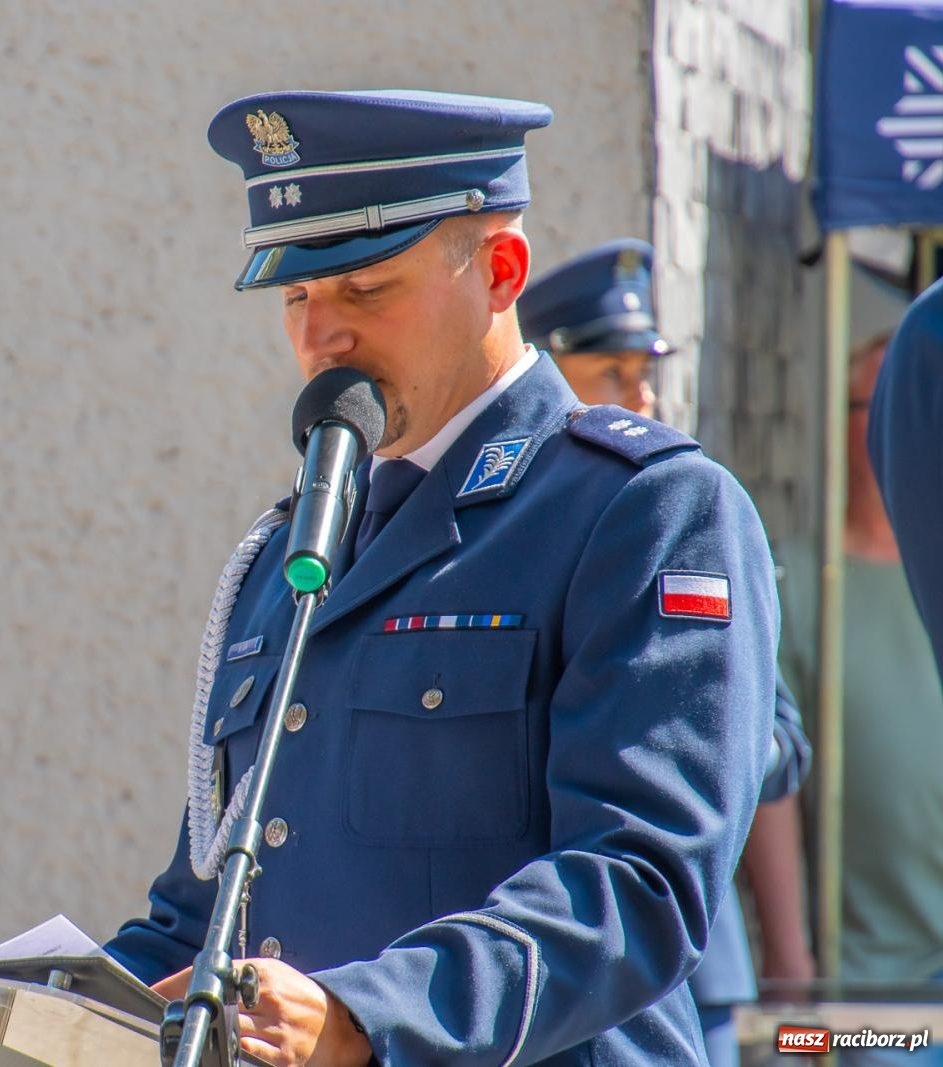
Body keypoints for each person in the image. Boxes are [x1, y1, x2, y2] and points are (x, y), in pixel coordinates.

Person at [104, 89, 780, 1066]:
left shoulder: (642, 509)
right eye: (295, 296)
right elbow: (204, 913)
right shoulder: (289, 554)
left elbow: (636, 882)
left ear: (500, 271)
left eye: (364, 287)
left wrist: (364, 1015)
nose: (320, 337)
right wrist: (8, 1001)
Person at [519, 239, 816, 1066]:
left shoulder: (684, 512)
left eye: (645, 370)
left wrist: (686, 742)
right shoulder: (516, 531)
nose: (641, 394)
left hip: (687, 963)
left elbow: (783, 741)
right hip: (531, 962)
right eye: (612, 372)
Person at [797, 329, 943, 1065]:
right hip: (869, 993)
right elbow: (770, 779)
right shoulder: (805, 584)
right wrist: (792, 966)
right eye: (880, 402)